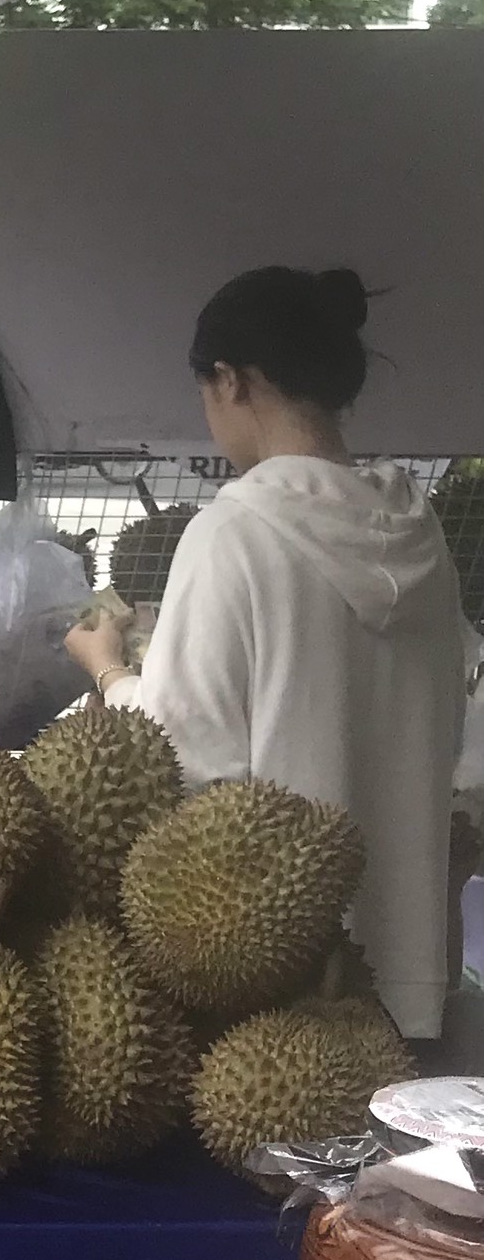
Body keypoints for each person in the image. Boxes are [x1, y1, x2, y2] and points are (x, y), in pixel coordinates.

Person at [66, 265, 467, 1040]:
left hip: (274, 988)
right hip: (410, 980)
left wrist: (107, 667)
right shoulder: (425, 539)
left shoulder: (235, 532)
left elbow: (181, 756)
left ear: (231, 381)